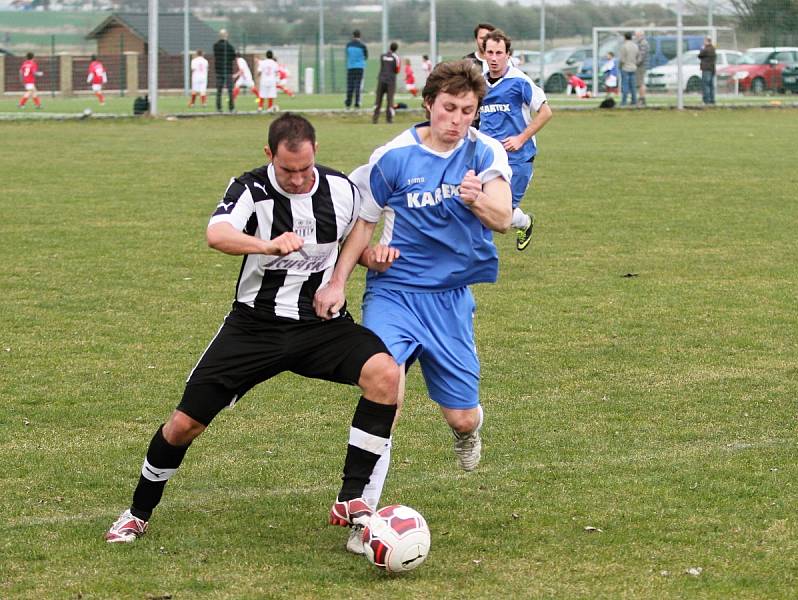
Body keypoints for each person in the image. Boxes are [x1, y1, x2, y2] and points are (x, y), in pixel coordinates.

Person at [105, 113, 401, 544]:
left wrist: (347, 274)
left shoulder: (341, 189)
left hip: (319, 325)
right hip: (254, 327)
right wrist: (267, 244)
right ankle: (137, 511)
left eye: (305, 169)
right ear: (269, 155)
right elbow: (217, 233)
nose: (298, 180)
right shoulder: (250, 189)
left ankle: (351, 497)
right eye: (288, 170)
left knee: (386, 374)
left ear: (316, 151)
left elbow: (358, 230)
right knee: (183, 425)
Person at [314, 59, 512, 553]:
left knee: (461, 417)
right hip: (394, 292)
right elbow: (362, 221)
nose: (458, 119)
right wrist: (344, 277)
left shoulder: (484, 154)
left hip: (450, 300)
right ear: (429, 103)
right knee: (388, 393)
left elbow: (505, 218)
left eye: (468, 110)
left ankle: (469, 433)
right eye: (449, 108)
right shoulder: (393, 156)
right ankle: (364, 517)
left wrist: (478, 202)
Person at [479, 29, 552, 251]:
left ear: (508, 54)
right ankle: (473, 257)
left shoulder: (519, 81)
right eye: (489, 52)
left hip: (518, 159)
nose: (493, 57)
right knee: (477, 207)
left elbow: (546, 112)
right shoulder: (480, 83)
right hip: (487, 158)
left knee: (501, 218)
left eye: (498, 52)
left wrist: (521, 138)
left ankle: (524, 222)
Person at [464, 23, 496, 128]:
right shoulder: (467, 62)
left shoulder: (504, 62)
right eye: (482, 38)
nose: (485, 41)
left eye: (489, 38)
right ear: (476, 39)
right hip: (473, 119)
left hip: (496, 118)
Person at [373, 42, 400, 124]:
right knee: (390, 100)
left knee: (378, 100)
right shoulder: (396, 57)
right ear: (396, 49)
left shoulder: (382, 56)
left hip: (381, 79)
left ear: (389, 47)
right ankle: (389, 119)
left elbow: (382, 66)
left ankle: (375, 119)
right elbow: (397, 69)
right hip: (390, 81)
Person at [213, 29, 236, 112]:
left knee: (219, 90)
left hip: (219, 70)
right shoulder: (230, 46)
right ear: (226, 35)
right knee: (230, 90)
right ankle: (231, 108)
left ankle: (219, 108)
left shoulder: (215, 46)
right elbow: (233, 57)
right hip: (228, 70)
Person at [345, 30, 368, 109]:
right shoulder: (362, 46)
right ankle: (357, 103)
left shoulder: (348, 45)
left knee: (350, 85)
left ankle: (348, 103)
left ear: (353, 35)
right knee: (358, 85)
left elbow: (347, 54)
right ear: (360, 36)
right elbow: (366, 56)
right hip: (360, 67)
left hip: (350, 67)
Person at [619, 32, 638, 107]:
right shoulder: (635, 46)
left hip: (625, 68)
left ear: (625, 37)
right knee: (633, 86)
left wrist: (620, 66)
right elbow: (637, 56)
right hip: (633, 68)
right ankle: (634, 101)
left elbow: (622, 59)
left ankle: (624, 102)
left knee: (625, 86)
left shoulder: (624, 46)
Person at [699, 36, 717, 105]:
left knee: (706, 85)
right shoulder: (713, 49)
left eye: (705, 41)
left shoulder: (706, 49)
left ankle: (706, 100)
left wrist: (702, 49)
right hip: (712, 69)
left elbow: (700, 55)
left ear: (707, 41)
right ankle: (712, 99)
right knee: (711, 85)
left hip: (706, 69)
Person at [635, 30, 650, 106]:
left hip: (641, 66)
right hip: (641, 65)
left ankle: (642, 98)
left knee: (641, 83)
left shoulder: (643, 43)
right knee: (640, 83)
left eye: (637, 35)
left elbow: (641, 56)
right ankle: (641, 98)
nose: (636, 37)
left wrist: (636, 63)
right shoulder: (641, 43)